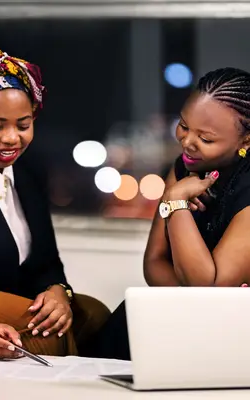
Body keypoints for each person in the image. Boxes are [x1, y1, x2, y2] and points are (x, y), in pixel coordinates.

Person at [0, 47, 110, 374]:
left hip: (11, 301)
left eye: (23, 124)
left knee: (95, 315)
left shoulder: (29, 171)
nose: (12, 139)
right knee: (51, 334)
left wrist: (57, 292)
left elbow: (46, 261)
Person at [84, 67, 250, 360]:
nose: (187, 142)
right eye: (184, 126)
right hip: (187, 315)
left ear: (246, 142)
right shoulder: (185, 166)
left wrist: (175, 202)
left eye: (206, 138)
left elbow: (210, 290)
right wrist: (178, 198)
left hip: (235, 332)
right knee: (122, 332)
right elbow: (154, 263)